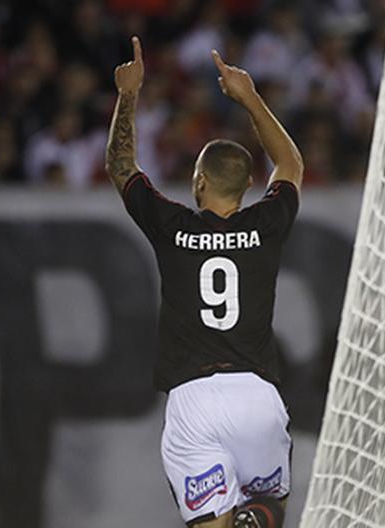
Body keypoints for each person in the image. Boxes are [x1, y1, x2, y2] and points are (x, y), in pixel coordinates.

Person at [106, 37, 302, 528]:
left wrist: (128, 94)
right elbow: (292, 166)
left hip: (194, 400)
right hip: (256, 393)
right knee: (271, 504)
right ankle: (256, 514)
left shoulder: (175, 228)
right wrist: (249, 97)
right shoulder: (265, 225)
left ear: (198, 183)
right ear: (247, 187)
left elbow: (121, 166)